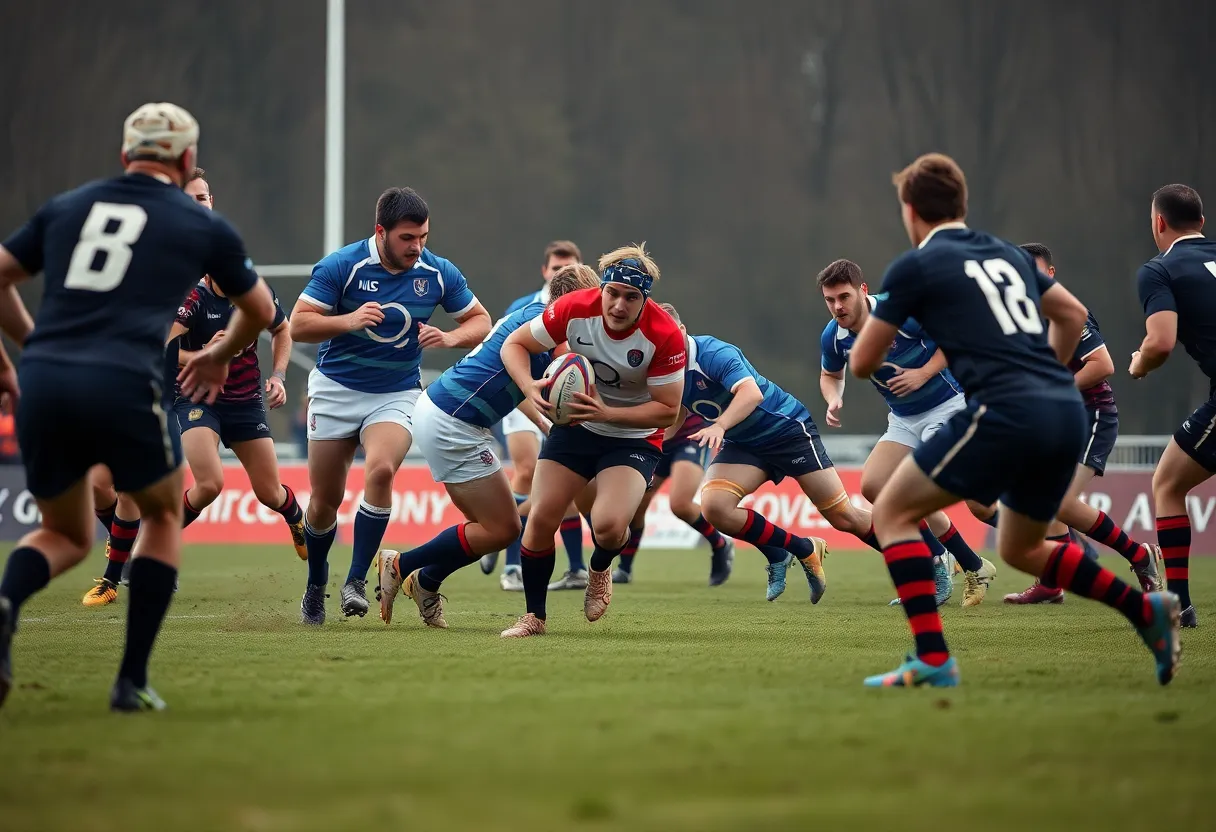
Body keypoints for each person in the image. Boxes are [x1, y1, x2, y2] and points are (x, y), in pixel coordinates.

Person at [849, 152, 1180, 688]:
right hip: (1064, 410)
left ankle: (933, 659)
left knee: (890, 510)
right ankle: (1147, 611)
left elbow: (862, 363)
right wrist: (1044, 374)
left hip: (1004, 411)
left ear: (911, 211)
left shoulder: (917, 265)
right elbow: (1071, 315)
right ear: (962, 204)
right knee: (1021, 547)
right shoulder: (1004, 254)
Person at [0, 102, 276, 711]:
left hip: (44, 379)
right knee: (159, 516)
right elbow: (259, 311)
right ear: (184, 161)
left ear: (125, 156)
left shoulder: (69, 205)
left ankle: (4, 605)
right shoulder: (201, 224)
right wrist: (218, 354)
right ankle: (130, 682)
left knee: (63, 534)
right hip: (123, 381)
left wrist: (27, 347)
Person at [79, 169, 305, 608]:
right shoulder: (167, 273)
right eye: (193, 199)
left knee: (265, 491)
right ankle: (124, 565)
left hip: (235, 399)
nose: (203, 206)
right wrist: (202, 356)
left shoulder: (241, 279)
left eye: (206, 197)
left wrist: (276, 374)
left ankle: (140, 554)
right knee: (119, 483)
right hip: (177, 392)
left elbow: (280, 325)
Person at [288, 187, 490, 624]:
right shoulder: (343, 266)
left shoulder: (437, 272)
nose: (417, 247)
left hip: (396, 392)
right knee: (325, 499)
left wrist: (450, 338)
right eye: (407, 238)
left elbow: (481, 321)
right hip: (336, 388)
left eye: (423, 237)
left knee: (381, 470)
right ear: (380, 232)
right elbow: (298, 325)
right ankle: (315, 585)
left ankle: (356, 581)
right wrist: (349, 319)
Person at [376, 264, 601, 627]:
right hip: (453, 422)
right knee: (502, 529)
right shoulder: (549, 327)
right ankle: (401, 566)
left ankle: (426, 582)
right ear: (572, 302)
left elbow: (520, 382)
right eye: (590, 304)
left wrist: (545, 422)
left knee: (490, 527)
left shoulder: (534, 320)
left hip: (449, 414)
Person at [495, 244, 686, 638]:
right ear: (602, 287)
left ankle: (600, 567)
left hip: (633, 436)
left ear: (644, 299)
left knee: (610, 526)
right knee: (541, 517)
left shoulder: (663, 335)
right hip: (576, 429)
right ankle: (534, 618)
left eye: (631, 297)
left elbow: (668, 411)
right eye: (612, 292)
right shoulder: (573, 308)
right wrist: (529, 386)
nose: (618, 304)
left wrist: (608, 413)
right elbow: (513, 345)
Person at [818, 259, 996, 608]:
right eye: (829, 299)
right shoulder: (833, 336)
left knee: (926, 489)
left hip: (949, 407)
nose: (838, 306)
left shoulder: (903, 311)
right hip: (903, 419)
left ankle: (946, 564)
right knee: (873, 487)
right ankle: (969, 564)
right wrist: (833, 398)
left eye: (844, 296)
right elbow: (830, 375)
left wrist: (922, 374)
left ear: (863, 290)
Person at [675, 323, 883, 605]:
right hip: (745, 443)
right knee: (715, 507)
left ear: (682, 329)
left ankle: (924, 560)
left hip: (786, 430)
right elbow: (673, 414)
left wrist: (720, 426)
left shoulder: (712, 352)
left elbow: (752, 394)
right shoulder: (666, 367)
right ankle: (793, 550)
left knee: (844, 517)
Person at [999, 243, 1161, 603]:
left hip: (1092, 417)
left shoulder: (1070, 313)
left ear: (1051, 274)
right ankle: (1052, 583)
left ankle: (1140, 556)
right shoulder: (1020, 319)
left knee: (1057, 503)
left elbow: (1103, 365)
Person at [1130, 183, 1216, 629]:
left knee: (1167, 482)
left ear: (1158, 223)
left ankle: (1178, 605)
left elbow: (1160, 342)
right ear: (1201, 222)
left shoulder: (1159, 271)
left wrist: (1140, 364)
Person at [483, 240, 589, 592]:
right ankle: (509, 559)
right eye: (556, 267)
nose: (561, 271)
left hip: (558, 398)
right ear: (545, 271)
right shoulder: (526, 308)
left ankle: (576, 567)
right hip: (524, 396)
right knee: (527, 471)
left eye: (568, 266)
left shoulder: (585, 311)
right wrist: (539, 407)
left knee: (565, 483)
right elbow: (506, 357)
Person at [611, 304, 735, 586]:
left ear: (680, 329)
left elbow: (677, 411)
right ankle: (626, 569)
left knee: (680, 503)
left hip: (691, 437)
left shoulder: (689, 359)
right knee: (637, 504)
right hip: (658, 437)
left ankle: (719, 545)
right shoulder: (645, 355)